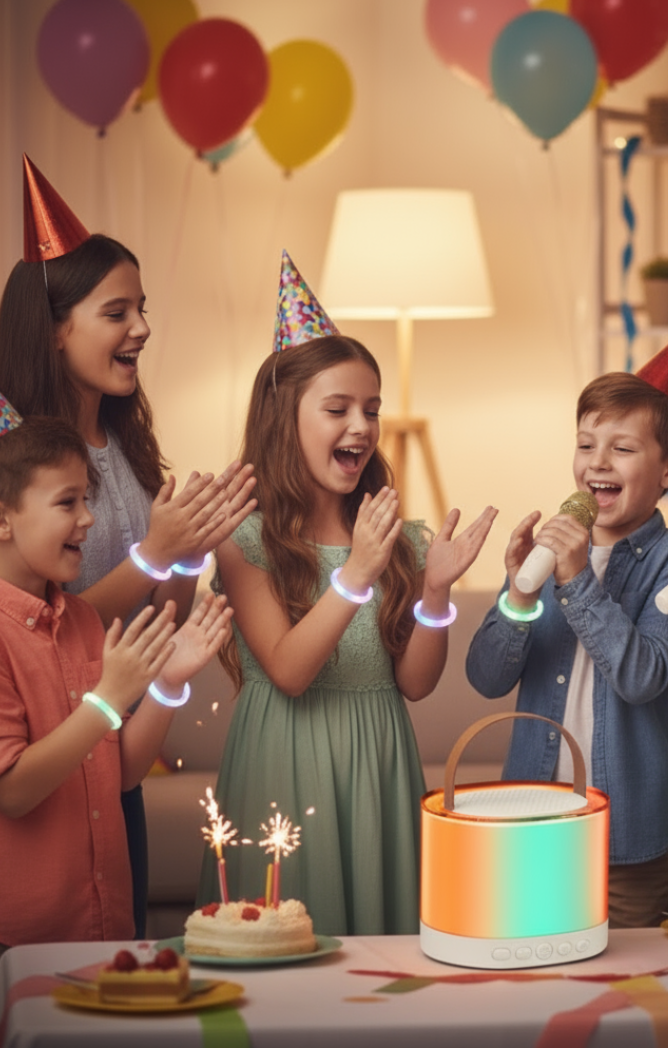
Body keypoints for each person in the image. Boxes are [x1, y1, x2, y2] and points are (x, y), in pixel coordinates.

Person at [0, 155, 256, 938]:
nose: (140, 328)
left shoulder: (127, 444)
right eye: (117, 311)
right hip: (49, 742)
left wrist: (184, 554)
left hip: (122, 741)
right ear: (55, 327)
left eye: (142, 307)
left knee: (122, 945)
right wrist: (152, 555)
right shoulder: (13, 471)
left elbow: (148, 619)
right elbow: (40, 614)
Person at [197, 253, 498, 936]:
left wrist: (437, 591)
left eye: (371, 408)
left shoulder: (400, 536)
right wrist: (356, 571)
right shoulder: (244, 540)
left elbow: (416, 683)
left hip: (378, 758)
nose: (361, 426)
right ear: (283, 419)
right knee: (281, 945)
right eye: (337, 409)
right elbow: (290, 670)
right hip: (286, 758)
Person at [0, 372, 232, 1022]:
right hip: (6, 944)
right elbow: (12, 788)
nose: (89, 519)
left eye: (87, 498)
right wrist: (109, 699)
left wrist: (169, 682)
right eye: (68, 503)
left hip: (101, 928)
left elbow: (120, 774)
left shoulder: (84, 621)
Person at [467, 318, 668, 928]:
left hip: (629, 840)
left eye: (622, 449)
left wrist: (576, 581)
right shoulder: (549, 551)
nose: (596, 462)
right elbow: (487, 677)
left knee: (629, 994)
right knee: (529, 971)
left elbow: (643, 677)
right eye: (585, 444)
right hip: (532, 823)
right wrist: (521, 591)